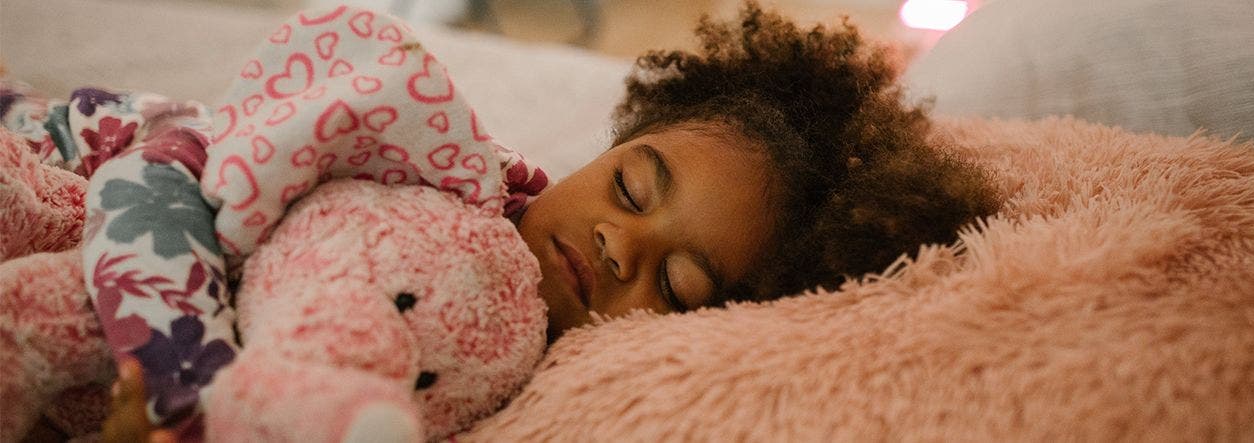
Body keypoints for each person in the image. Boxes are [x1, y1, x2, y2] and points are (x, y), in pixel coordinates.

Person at [95, 1, 998, 440]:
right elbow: (183, 163)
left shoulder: (544, 391)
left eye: (678, 287)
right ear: (606, 151)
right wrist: (189, 377)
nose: (618, 240)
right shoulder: (448, 170)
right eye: (632, 188)